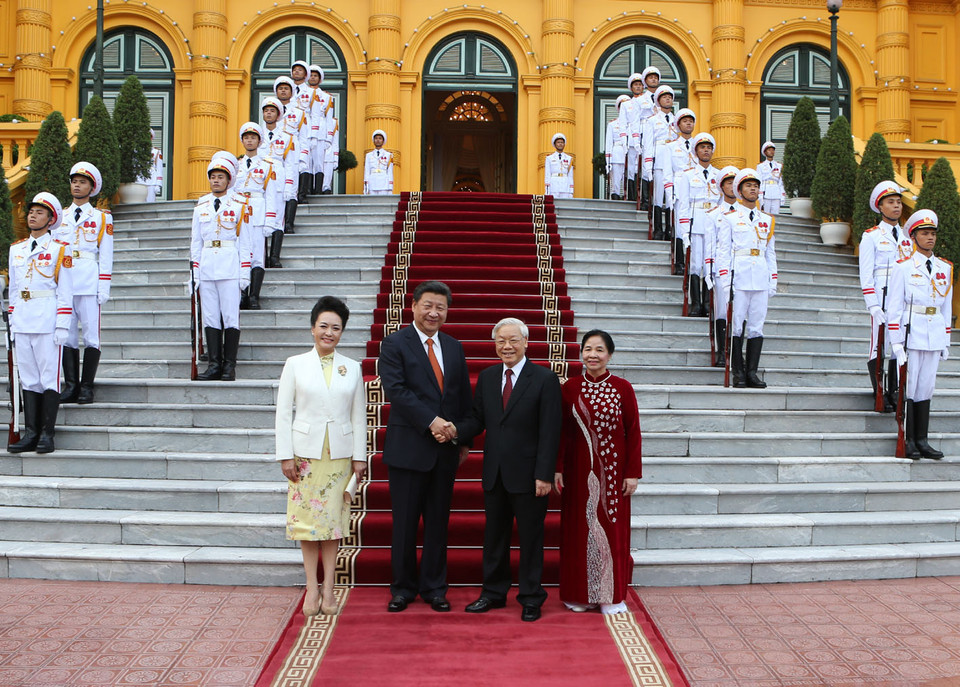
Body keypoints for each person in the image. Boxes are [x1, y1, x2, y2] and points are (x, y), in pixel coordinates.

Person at [453, 318, 562, 623]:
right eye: (501, 341)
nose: (507, 346)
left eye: (513, 340)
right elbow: (478, 420)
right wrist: (455, 432)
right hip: (495, 473)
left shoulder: (543, 379)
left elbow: (550, 430)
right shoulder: (488, 377)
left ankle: (530, 597)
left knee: (530, 539)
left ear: (526, 342)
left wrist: (544, 473)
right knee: (495, 537)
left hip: (530, 476)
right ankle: (492, 593)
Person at [378, 281, 471, 613]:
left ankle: (434, 587)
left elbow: (461, 396)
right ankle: (402, 588)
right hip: (408, 448)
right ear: (414, 305)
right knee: (404, 523)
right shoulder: (394, 344)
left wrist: (462, 438)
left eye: (441, 307)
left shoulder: (454, 346)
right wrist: (432, 422)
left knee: (437, 522)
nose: (434, 312)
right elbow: (397, 391)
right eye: (428, 305)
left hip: (445, 450)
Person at [276, 296, 368, 616]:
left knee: (332, 524)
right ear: (313, 328)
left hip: (339, 457)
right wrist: (285, 455)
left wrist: (360, 457)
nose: (329, 333)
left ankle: (329, 588)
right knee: (307, 524)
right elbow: (283, 414)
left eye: (337, 328)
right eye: (324, 326)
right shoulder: (295, 364)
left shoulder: (352, 368)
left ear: (343, 332)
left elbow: (359, 416)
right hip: (304, 456)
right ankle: (311, 589)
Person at [554, 330, 641, 615]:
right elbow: (562, 434)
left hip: (614, 474)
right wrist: (557, 469)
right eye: (588, 349)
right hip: (578, 472)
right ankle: (580, 593)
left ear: (610, 354)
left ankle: (610, 597)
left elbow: (632, 432)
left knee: (610, 530)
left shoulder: (622, 388)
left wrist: (632, 473)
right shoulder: (570, 388)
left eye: (599, 349)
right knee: (580, 530)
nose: (593, 354)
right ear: (581, 353)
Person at [7, 192, 73, 454]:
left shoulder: (60, 251)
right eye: (31, 212)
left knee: (49, 379)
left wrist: (62, 325)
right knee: (29, 379)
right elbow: (13, 290)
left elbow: (65, 290)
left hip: (47, 321)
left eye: (39, 213)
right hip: (23, 319)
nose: (33, 216)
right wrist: (12, 321)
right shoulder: (17, 249)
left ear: (51, 219)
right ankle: (31, 432)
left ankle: (47, 433)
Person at [887, 209, 952, 460]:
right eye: (925, 234)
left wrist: (945, 340)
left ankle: (923, 440)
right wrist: (896, 343)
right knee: (911, 387)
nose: (930, 238)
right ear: (913, 237)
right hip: (910, 334)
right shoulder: (903, 267)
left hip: (933, 333)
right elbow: (894, 307)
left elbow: (946, 306)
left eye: (933, 234)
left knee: (926, 387)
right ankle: (909, 439)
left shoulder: (944, 267)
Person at [55, 162, 113, 405]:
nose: (76, 186)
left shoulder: (101, 217)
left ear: (92, 188)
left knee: (91, 337)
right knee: (67, 336)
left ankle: (86, 387)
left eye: (82, 182)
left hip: (89, 281)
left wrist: (103, 286)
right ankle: (71, 385)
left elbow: (107, 254)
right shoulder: (59, 217)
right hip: (65, 283)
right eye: (74, 181)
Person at [190, 157, 252, 381]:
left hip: (229, 266)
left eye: (221, 177)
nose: (216, 181)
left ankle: (229, 366)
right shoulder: (201, 206)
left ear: (229, 180)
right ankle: (214, 365)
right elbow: (195, 243)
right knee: (210, 318)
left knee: (230, 317)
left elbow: (245, 242)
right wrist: (194, 273)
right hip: (207, 267)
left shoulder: (239, 205)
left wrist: (245, 273)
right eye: (213, 177)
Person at [717, 168, 778, 388]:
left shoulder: (767, 220)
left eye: (756, 186)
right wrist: (725, 281)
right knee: (736, 326)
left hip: (760, 276)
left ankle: (752, 372)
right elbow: (723, 251)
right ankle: (738, 372)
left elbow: (770, 251)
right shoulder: (730, 218)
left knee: (756, 326)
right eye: (748, 186)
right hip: (739, 277)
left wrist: (773, 278)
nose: (753, 189)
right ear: (739, 190)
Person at [860, 181, 912, 412]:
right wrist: (872, 305)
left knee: (897, 344)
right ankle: (878, 391)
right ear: (880, 207)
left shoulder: (908, 237)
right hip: (881, 296)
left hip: (902, 298)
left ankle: (893, 393)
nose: (896, 206)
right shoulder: (871, 236)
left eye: (899, 202)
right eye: (891, 202)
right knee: (878, 345)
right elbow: (866, 273)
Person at [235, 122, 280, 310]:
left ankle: (254, 296)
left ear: (259, 141)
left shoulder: (267, 165)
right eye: (246, 138)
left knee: (257, 257)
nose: (249, 140)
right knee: (240, 255)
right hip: (238, 215)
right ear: (242, 141)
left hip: (258, 213)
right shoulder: (235, 165)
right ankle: (242, 294)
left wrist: (271, 220)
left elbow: (271, 194)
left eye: (253, 138)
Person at [674, 133, 719, 317]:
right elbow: (683, 205)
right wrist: (684, 232)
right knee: (695, 265)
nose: (706, 150)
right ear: (696, 151)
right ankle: (696, 303)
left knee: (711, 264)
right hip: (696, 223)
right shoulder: (687, 175)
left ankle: (708, 303)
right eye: (702, 147)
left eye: (708, 147)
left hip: (714, 224)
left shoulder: (719, 175)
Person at [704, 165, 740, 368]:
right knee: (721, 311)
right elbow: (710, 245)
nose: (732, 187)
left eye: (735, 184)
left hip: (742, 268)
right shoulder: (713, 214)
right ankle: (721, 350)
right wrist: (709, 271)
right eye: (728, 183)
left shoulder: (746, 214)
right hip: (721, 269)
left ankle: (735, 352)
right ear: (721, 187)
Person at [259, 96, 295, 262]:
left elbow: (291, 164)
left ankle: (274, 256)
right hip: (260, 181)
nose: (269, 114)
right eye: (266, 111)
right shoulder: (255, 135)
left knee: (278, 218)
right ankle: (262, 255)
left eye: (272, 111)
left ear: (278, 114)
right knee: (261, 218)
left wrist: (289, 186)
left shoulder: (286, 137)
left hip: (279, 180)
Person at [658, 108, 698, 250]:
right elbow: (667, 173)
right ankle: (680, 259)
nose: (688, 124)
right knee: (680, 224)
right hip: (679, 188)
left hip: (695, 189)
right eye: (685, 121)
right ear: (678, 125)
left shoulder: (698, 147)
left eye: (691, 121)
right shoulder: (670, 147)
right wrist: (670, 195)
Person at [641, 85, 676, 240]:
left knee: (671, 198)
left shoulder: (678, 121)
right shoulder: (652, 121)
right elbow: (648, 145)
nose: (668, 99)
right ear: (658, 101)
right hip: (659, 161)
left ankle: (670, 229)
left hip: (674, 163)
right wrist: (648, 166)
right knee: (658, 196)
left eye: (670, 97)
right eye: (664, 97)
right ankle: (658, 229)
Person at [274, 75, 312, 206]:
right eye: (280, 89)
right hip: (276, 150)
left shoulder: (299, 113)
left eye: (286, 88)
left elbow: (304, 137)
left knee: (291, 186)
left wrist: (303, 157)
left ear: (292, 92)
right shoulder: (270, 111)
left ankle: (289, 224)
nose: (283, 91)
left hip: (293, 149)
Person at [307, 65, 336, 195]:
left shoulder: (326, 97)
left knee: (318, 161)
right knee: (306, 161)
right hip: (305, 128)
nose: (313, 77)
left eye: (315, 75)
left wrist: (329, 137)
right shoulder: (302, 94)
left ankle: (318, 189)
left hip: (321, 130)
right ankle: (305, 188)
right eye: (311, 75)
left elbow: (329, 118)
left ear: (320, 79)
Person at [604, 96, 631, 200]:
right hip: (617, 153)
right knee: (615, 180)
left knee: (630, 179)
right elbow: (609, 143)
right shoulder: (613, 124)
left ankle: (628, 197)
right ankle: (615, 196)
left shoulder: (633, 124)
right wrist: (608, 161)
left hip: (630, 153)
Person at [756, 142, 785, 215]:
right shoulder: (760, 166)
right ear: (765, 152)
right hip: (766, 193)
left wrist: (782, 196)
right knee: (765, 215)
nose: (771, 152)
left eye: (773, 150)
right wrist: (760, 196)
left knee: (776, 216)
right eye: (769, 150)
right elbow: (759, 182)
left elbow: (781, 182)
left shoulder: (779, 166)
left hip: (776, 193)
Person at [363, 130, 394, 196]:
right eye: (376, 138)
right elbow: (367, 170)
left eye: (380, 138)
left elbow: (390, 171)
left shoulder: (388, 155)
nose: (378, 140)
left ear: (383, 141)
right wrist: (366, 185)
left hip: (384, 183)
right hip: (372, 182)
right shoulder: (368, 155)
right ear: (373, 140)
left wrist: (390, 186)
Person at [544, 133, 574, 199]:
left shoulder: (569, 158)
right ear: (555, 144)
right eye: (558, 142)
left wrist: (571, 191)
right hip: (553, 186)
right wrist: (547, 190)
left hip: (565, 186)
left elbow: (570, 175)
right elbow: (547, 174)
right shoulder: (549, 158)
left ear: (564, 144)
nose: (560, 144)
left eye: (562, 142)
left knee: (565, 206)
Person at [138, 129, 164, 203]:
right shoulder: (137, 151)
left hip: (152, 180)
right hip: (139, 180)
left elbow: (159, 168)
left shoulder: (156, 152)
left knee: (150, 202)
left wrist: (158, 184)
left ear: (151, 138)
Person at [321, 115, 339, 195]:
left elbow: (335, 141)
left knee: (327, 177)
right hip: (317, 151)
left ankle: (326, 189)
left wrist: (336, 158)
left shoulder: (333, 122)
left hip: (329, 152)